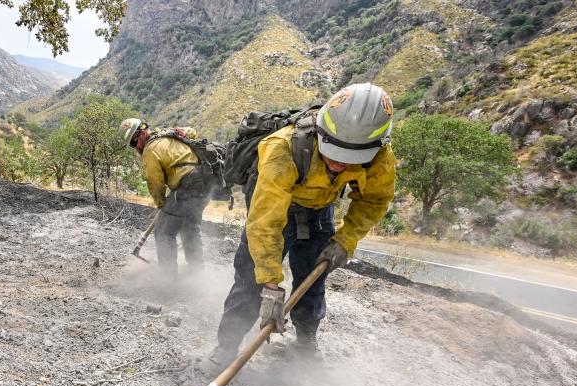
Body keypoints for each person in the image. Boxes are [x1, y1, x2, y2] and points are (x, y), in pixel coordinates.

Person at [209, 83, 397, 364]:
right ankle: (226, 348)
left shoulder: (379, 157)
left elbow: (373, 201)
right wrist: (271, 285)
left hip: (319, 209)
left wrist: (346, 240)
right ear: (322, 132)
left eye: (349, 159)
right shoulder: (283, 148)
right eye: (332, 151)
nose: (338, 163)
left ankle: (306, 342)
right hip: (276, 208)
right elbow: (265, 222)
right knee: (250, 281)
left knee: (312, 279)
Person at [119, 118, 217, 276]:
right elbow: (192, 131)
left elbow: (155, 184)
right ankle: (197, 274)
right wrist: (184, 131)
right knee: (190, 229)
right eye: (132, 144)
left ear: (142, 133)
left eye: (134, 142)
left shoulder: (149, 150)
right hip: (204, 183)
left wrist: (162, 205)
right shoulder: (166, 134)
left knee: (164, 232)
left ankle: (169, 282)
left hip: (187, 187)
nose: (135, 147)